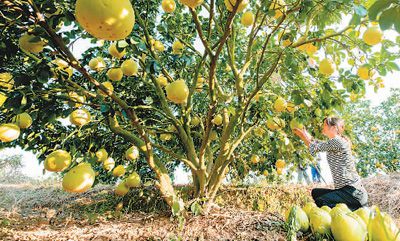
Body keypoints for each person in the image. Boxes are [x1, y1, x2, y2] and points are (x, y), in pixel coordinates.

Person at [293, 116, 368, 211]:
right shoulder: (334, 142)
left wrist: (303, 136)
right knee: (315, 193)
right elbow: (318, 144)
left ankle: (353, 211)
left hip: (353, 192)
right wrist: (307, 136)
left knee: (322, 201)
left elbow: (314, 147)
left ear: (333, 128)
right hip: (344, 190)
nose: (322, 127)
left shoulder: (337, 141)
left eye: (325, 125)